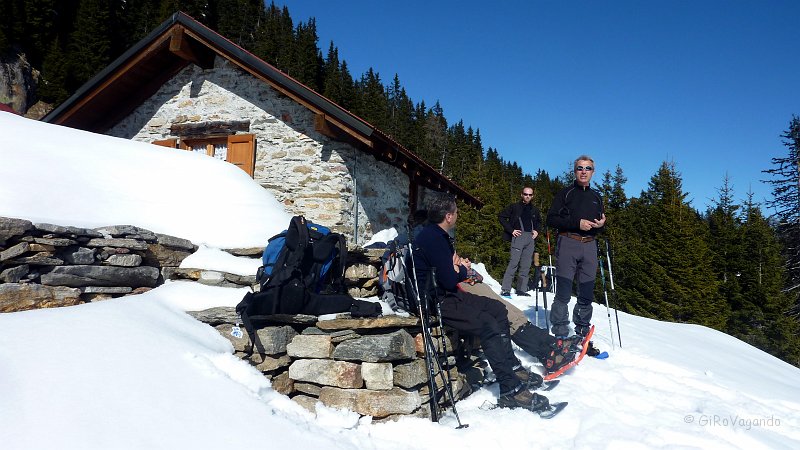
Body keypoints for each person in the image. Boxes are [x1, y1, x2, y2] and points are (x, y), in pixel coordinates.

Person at [413, 193, 569, 411]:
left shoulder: (437, 235)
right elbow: (449, 279)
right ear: (448, 216)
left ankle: (513, 368)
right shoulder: (434, 239)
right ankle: (510, 390)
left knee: (497, 308)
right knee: (488, 324)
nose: (457, 215)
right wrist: (461, 270)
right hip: (437, 301)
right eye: (456, 212)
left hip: (448, 294)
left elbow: (449, 273)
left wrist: (456, 269)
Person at [546, 155, 606, 339]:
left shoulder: (597, 197)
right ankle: (560, 333)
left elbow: (599, 223)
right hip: (568, 242)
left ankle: (582, 331)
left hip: (590, 245)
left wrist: (601, 225)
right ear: (574, 171)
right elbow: (551, 219)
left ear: (593, 172)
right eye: (580, 168)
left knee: (586, 293)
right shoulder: (566, 193)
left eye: (588, 168)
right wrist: (576, 223)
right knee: (564, 292)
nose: (584, 172)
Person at [498, 187, 541, 298]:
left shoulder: (535, 210)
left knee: (526, 265)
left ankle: (521, 290)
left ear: (532, 196)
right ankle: (506, 289)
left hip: (530, 239)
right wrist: (511, 230)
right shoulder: (514, 207)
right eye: (525, 194)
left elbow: (539, 222)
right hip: (518, 237)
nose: (527, 196)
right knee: (513, 263)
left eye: (530, 195)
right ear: (521, 194)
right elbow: (501, 216)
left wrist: (537, 231)